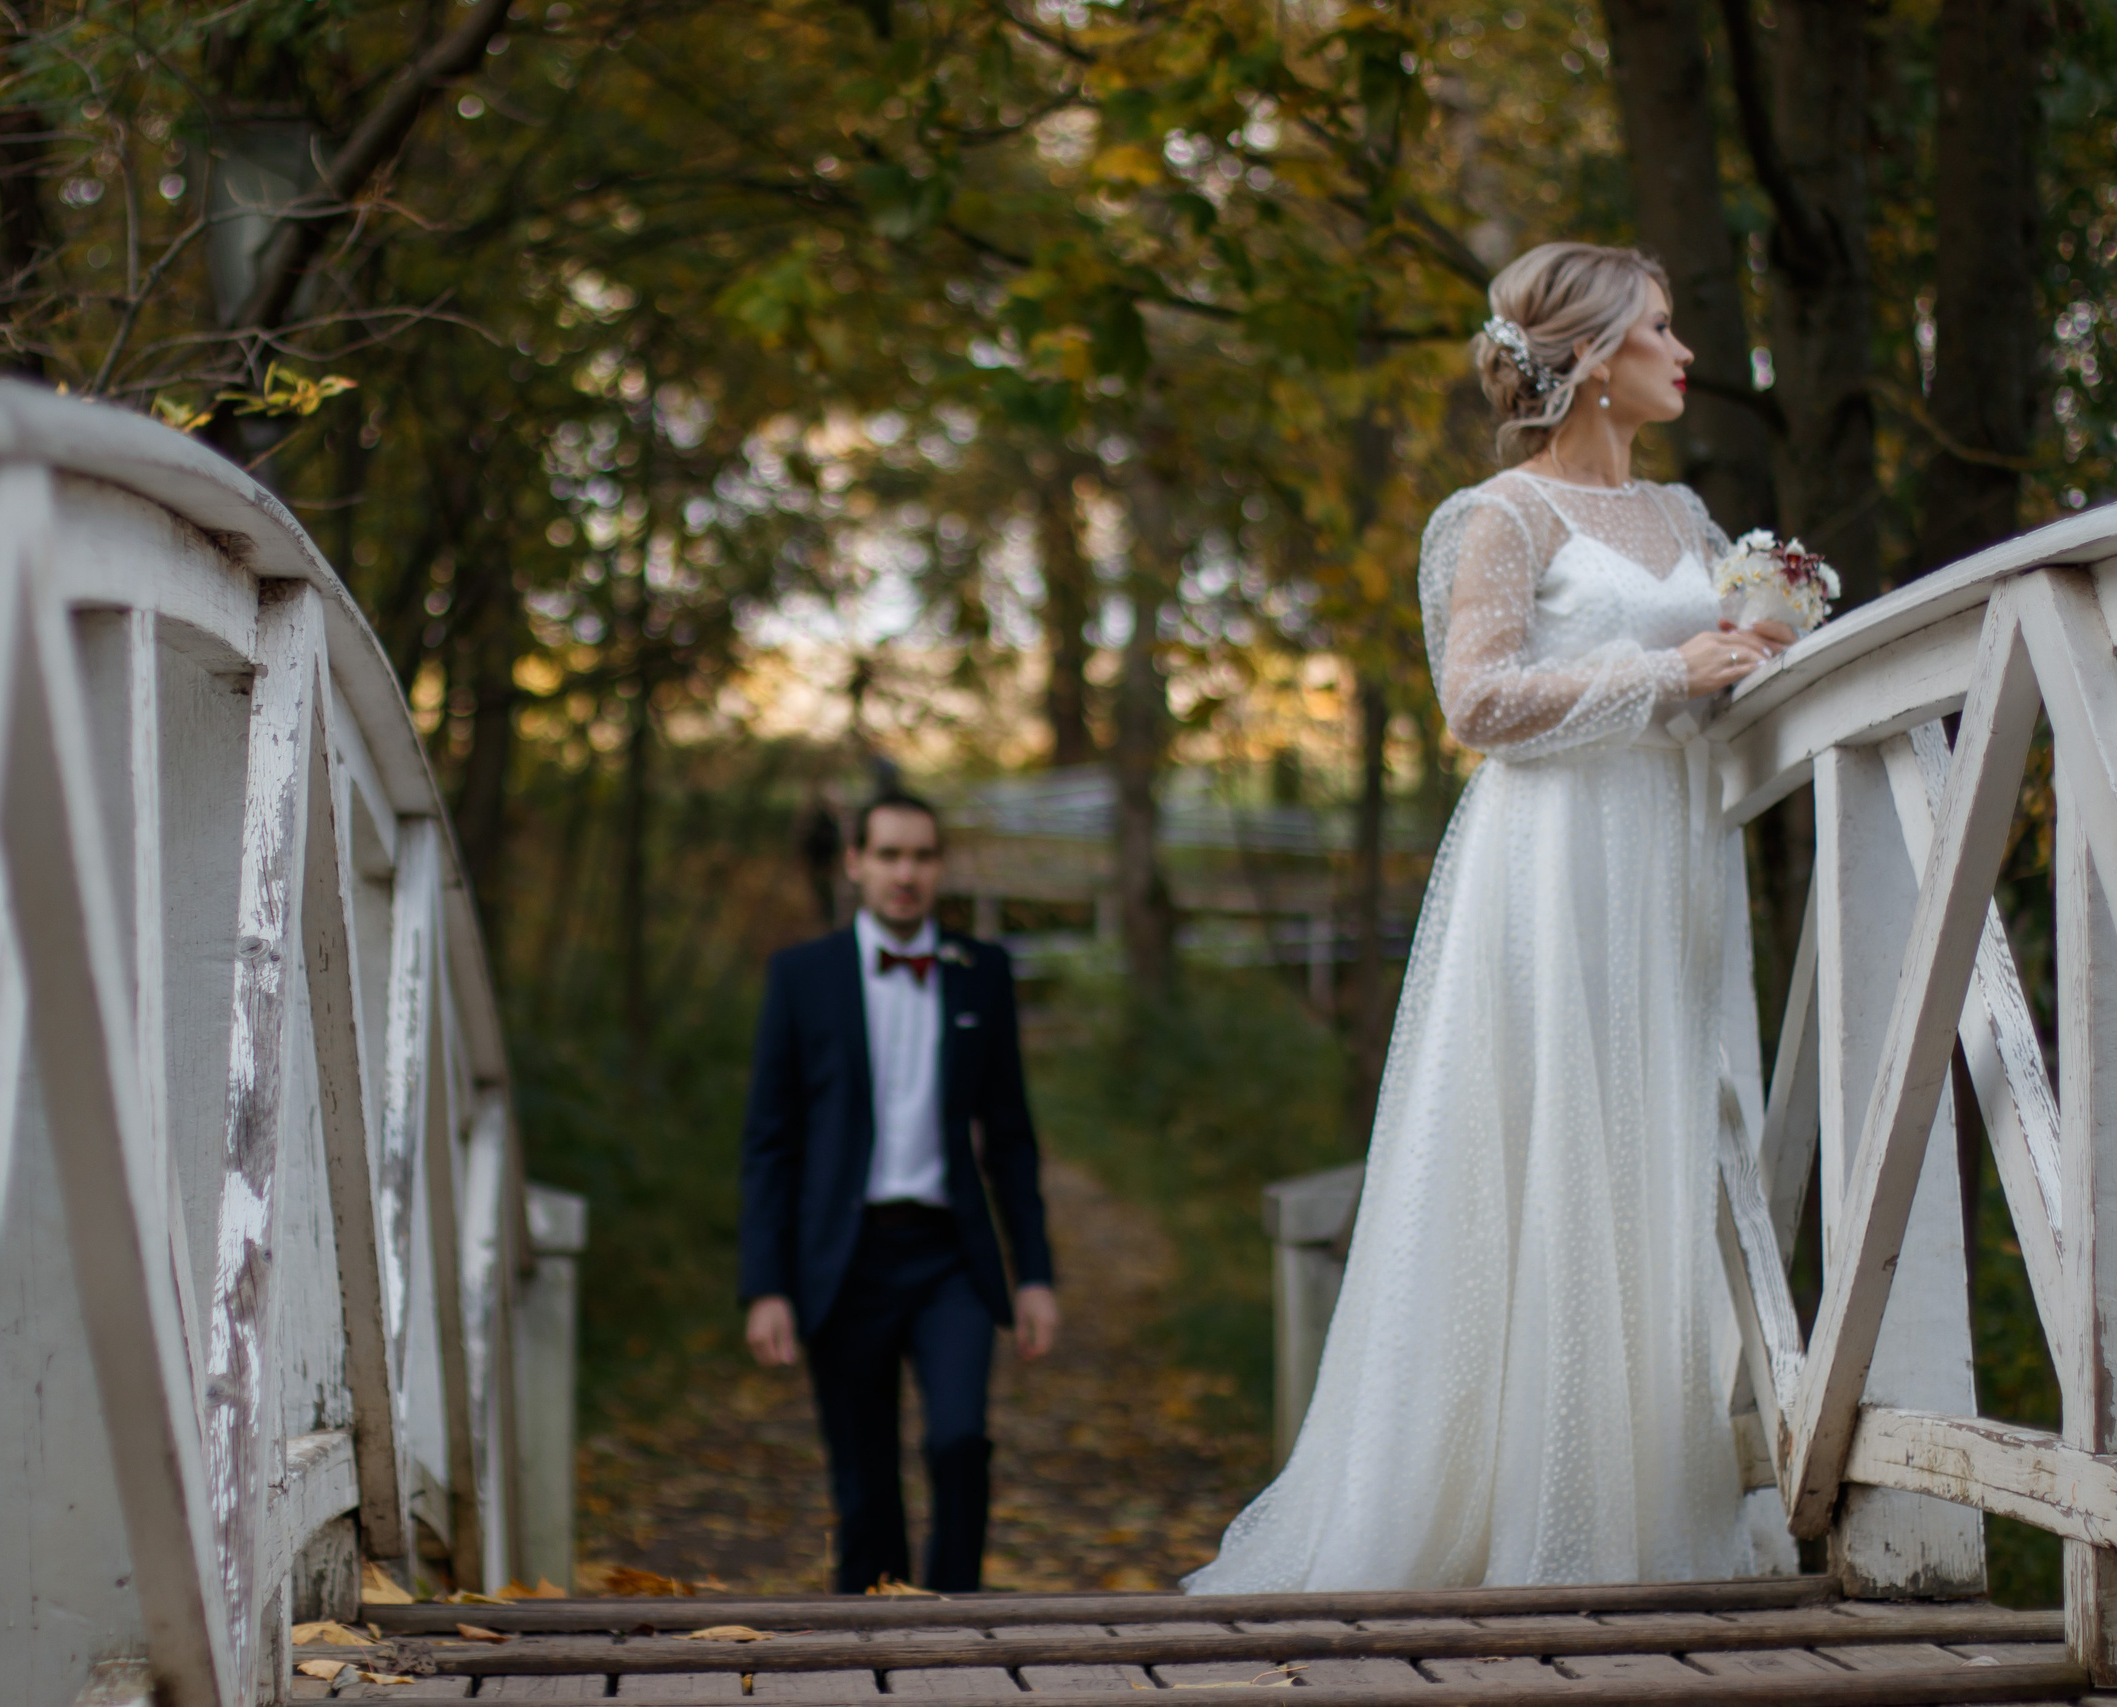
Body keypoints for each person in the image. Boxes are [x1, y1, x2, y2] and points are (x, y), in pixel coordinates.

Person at [1187, 242, 1801, 1592]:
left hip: (1673, 864)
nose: (1685, 350)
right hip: (1556, 868)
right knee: (1550, 1144)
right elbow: (1475, 701)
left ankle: (1656, 1504)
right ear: (1591, 361)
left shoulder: (1689, 515)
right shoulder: (1502, 516)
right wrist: (1666, 670)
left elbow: (1721, 670)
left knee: (1667, 1145)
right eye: (1659, 326)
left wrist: (1765, 644)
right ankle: (1532, 1516)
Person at [737, 792, 1058, 1592]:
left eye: (921, 855)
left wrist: (1036, 1272)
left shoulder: (982, 973)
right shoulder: (802, 975)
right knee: (865, 1489)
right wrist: (766, 1284)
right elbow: (770, 1142)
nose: (905, 873)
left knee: (959, 1442)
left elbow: (1011, 1137)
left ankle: (956, 1626)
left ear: (941, 866)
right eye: (888, 854)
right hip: (843, 1258)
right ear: (855, 863)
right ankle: (870, 1644)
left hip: (950, 1255)